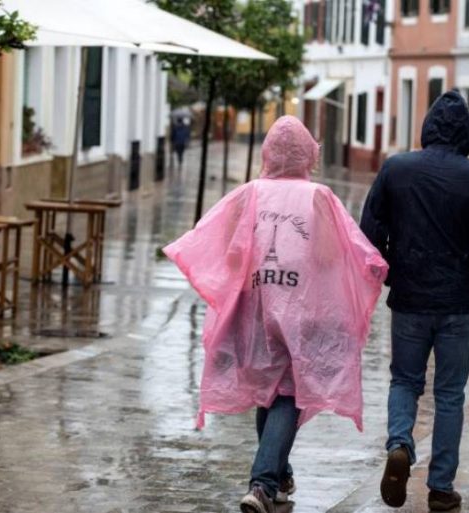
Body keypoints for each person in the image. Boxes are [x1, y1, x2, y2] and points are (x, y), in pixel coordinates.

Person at [163, 116, 388, 513]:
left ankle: (279, 476)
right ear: (308, 155)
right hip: (302, 308)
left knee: (269, 389)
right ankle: (264, 484)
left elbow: (227, 248)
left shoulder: (250, 194)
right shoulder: (318, 197)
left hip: (253, 307)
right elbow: (334, 252)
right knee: (287, 392)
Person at [360, 90, 469, 511]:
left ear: (428, 127)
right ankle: (441, 488)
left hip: (409, 297)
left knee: (404, 381)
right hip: (456, 303)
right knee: (450, 393)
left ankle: (400, 444)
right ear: (467, 133)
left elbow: (368, 233)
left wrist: (392, 271)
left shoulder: (395, 169)